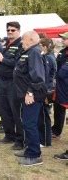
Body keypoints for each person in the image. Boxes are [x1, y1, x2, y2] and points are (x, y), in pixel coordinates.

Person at [12, 31, 46, 166]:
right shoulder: (29, 51)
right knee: (27, 122)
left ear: (31, 40)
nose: (21, 42)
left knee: (30, 124)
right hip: (25, 94)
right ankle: (29, 149)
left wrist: (30, 92)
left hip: (32, 95)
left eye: (23, 39)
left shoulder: (35, 52)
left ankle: (34, 155)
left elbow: (37, 76)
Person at [0, 21, 24, 150]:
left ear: (18, 30)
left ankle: (20, 139)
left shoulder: (21, 45)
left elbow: (18, 63)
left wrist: (2, 60)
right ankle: (9, 134)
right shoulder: (6, 43)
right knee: (4, 109)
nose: (10, 32)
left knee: (15, 111)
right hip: (3, 81)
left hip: (13, 82)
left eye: (13, 30)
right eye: (8, 30)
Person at [53, 32, 68, 161]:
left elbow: (63, 72)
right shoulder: (63, 52)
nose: (62, 40)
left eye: (65, 38)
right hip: (61, 88)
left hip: (65, 88)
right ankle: (56, 130)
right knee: (58, 109)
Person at [38, 38, 56, 147]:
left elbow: (48, 76)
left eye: (40, 44)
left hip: (45, 91)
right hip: (44, 90)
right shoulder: (45, 56)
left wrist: (46, 92)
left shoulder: (48, 58)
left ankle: (45, 140)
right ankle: (43, 139)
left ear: (44, 46)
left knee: (45, 116)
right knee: (42, 115)